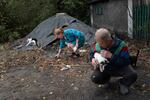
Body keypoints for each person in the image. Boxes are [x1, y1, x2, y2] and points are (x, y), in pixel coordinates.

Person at [89, 28, 137, 95]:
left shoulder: (121, 45)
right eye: (98, 42)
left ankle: (123, 83)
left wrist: (111, 56)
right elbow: (92, 53)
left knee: (132, 75)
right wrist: (92, 59)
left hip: (118, 68)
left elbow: (126, 61)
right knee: (95, 77)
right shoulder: (98, 44)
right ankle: (106, 79)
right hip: (105, 68)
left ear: (107, 41)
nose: (98, 45)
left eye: (100, 43)